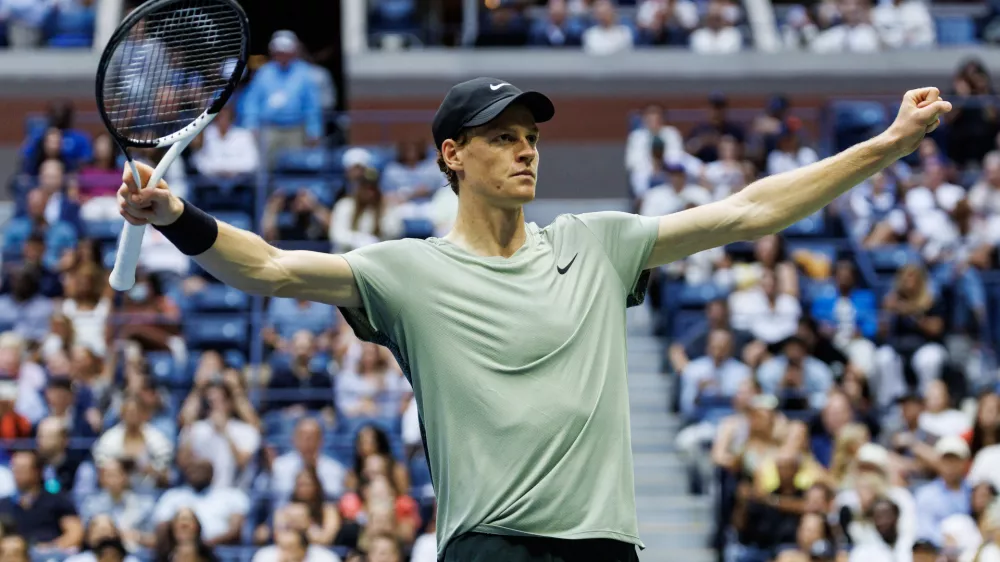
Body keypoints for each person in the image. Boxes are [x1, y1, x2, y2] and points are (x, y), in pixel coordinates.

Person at [116, 78, 952, 562]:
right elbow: (266, 267)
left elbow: (748, 210)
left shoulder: (598, 243)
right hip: (490, 551)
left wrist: (886, 144)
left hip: (604, 551)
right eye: (505, 137)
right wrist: (174, 212)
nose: (528, 151)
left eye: (532, 138)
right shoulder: (405, 270)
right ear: (453, 155)